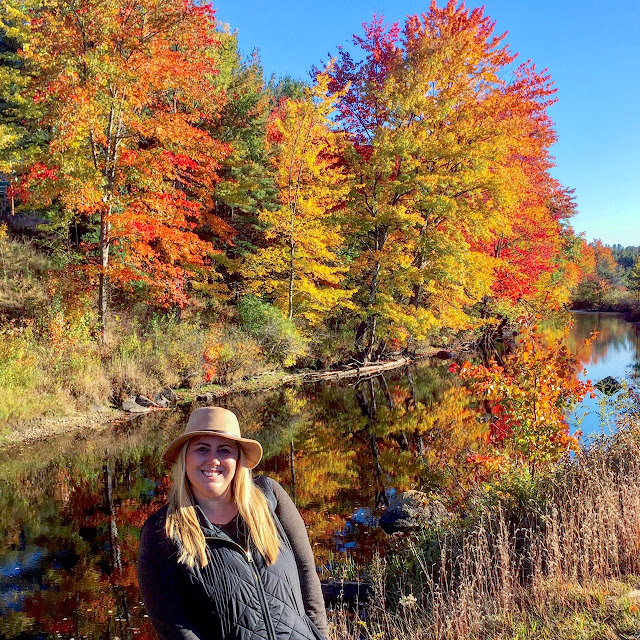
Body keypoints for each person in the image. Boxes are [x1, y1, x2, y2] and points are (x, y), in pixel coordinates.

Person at [137, 406, 329, 640]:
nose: (213, 460)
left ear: (238, 459)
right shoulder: (163, 531)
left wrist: (321, 635)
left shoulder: (271, 498)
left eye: (224, 450)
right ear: (184, 457)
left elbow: (307, 574)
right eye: (202, 449)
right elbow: (174, 627)